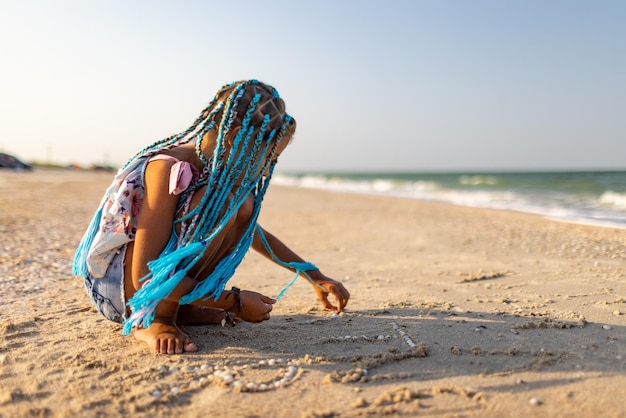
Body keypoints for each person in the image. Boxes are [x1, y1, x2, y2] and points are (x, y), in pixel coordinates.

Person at [73, 80, 350, 354]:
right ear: (234, 138)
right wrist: (234, 302)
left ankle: (183, 307)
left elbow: (252, 231)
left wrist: (314, 275)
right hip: (123, 292)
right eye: (265, 158)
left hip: (145, 283)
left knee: (242, 205)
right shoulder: (168, 169)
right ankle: (157, 319)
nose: (266, 169)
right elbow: (144, 275)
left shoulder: (215, 175)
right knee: (214, 202)